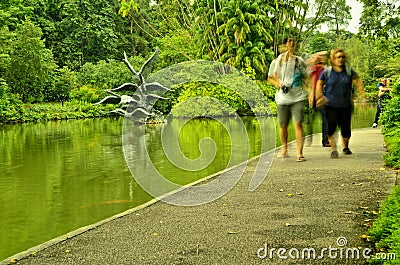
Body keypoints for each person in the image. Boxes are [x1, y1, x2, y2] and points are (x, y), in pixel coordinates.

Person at [315, 49, 364, 158]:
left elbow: (358, 81)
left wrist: (361, 93)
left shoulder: (349, 71)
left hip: (345, 105)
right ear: (333, 59)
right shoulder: (327, 72)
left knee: (346, 128)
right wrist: (320, 96)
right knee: (331, 127)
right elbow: (319, 84)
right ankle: (333, 150)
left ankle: (345, 147)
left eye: (342, 57)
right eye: (338, 57)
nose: (341, 59)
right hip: (330, 104)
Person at [268, 37, 310, 162]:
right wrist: (278, 84)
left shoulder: (299, 61)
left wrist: (310, 91)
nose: (291, 43)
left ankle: (299, 153)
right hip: (283, 98)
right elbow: (270, 77)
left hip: (298, 97)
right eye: (289, 41)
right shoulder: (277, 61)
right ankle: (284, 149)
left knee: (298, 124)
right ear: (285, 44)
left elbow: (306, 77)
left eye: (293, 41)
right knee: (283, 125)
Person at [306, 51, 330, 147]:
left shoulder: (320, 69)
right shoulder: (319, 69)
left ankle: (310, 137)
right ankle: (325, 141)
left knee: (314, 118)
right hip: (319, 95)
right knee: (325, 119)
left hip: (316, 95)